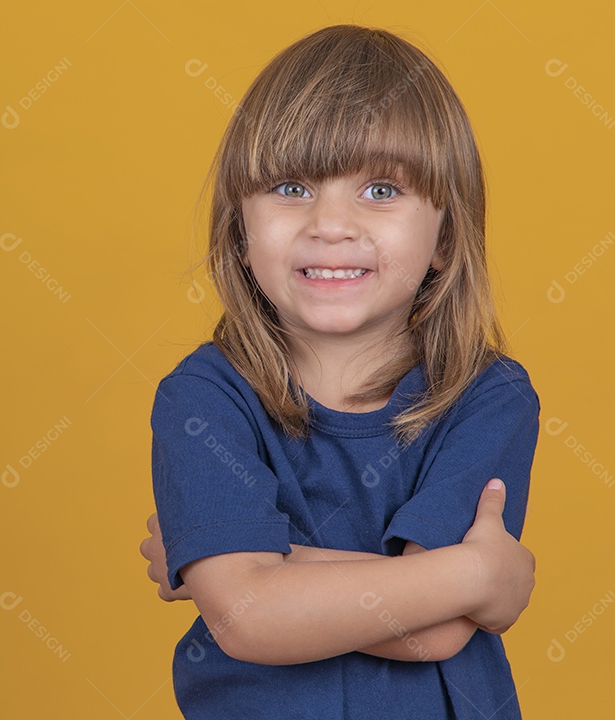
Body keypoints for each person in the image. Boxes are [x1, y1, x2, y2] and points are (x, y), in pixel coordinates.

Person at [139, 24, 540, 719]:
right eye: (291, 187)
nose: (330, 224)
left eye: (381, 190)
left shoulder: (489, 397)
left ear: (445, 237)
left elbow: (434, 633)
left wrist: (252, 568)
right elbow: (246, 619)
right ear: (239, 231)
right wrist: (476, 572)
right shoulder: (202, 398)